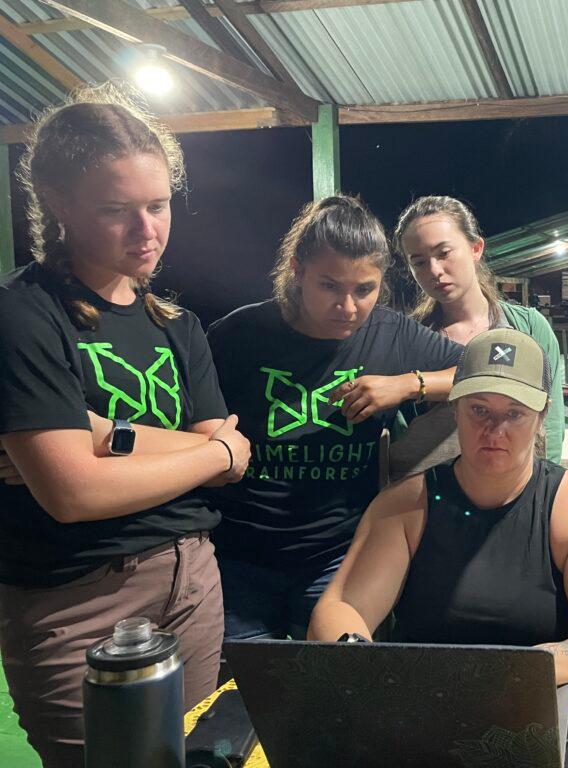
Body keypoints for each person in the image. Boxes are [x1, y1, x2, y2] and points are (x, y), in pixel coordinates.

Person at [0, 86, 250, 767]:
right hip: (72, 599)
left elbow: (232, 459)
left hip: (191, 580)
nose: (148, 231)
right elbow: (73, 494)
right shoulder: (24, 316)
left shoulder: (179, 327)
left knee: (196, 759)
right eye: (117, 211)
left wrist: (107, 434)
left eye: (159, 204)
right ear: (59, 203)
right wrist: (213, 450)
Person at [308, 329, 568, 693]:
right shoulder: (406, 505)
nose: (494, 429)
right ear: (455, 408)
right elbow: (338, 608)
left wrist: (511, 674)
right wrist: (359, 658)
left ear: (541, 415)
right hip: (422, 704)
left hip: (537, 707)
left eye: (514, 413)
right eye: (479, 409)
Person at [206, 195, 463, 641]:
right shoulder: (236, 336)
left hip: (339, 559)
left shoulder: (391, 333)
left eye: (364, 289)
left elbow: (488, 370)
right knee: (241, 698)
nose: (348, 306)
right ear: (297, 272)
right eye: (329, 286)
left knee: (338, 694)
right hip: (240, 559)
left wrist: (407, 384)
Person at [394, 196, 565, 462]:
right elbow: (402, 434)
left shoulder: (529, 327)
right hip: (435, 492)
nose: (434, 270)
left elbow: (551, 427)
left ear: (476, 248)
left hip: (518, 491)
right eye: (419, 261)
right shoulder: (409, 338)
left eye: (443, 253)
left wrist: (544, 490)